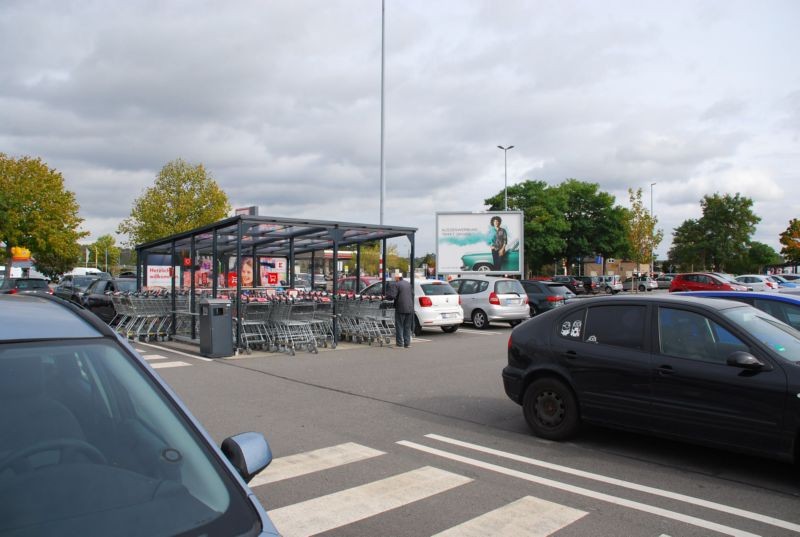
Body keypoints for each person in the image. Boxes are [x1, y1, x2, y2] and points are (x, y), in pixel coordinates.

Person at [385, 273, 413, 348]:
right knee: (407, 326)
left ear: (397, 278)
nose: (394, 279)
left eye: (395, 278)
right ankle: (407, 343)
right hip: (410, 308)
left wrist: (386, 297)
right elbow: (411, 294)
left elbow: (392, 296)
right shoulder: (408, 284)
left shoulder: (396, 284)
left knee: (399, 326)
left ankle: (399, 344)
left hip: (400, 308)